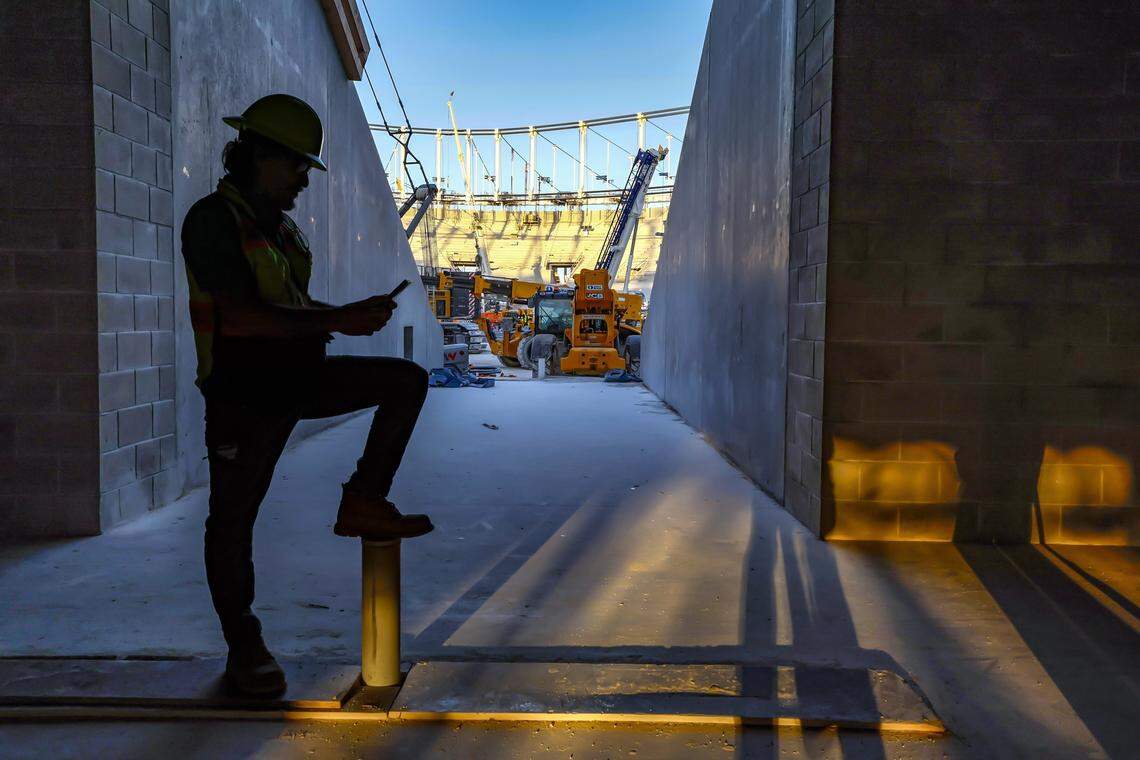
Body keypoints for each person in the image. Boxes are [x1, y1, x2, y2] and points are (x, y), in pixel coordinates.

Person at [179, 94, 434, 696]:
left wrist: (346, 315)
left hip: (296, 378)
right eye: (295, 166)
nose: (302, 180)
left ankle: (363, 500)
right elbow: (240, 317)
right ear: (259, 156)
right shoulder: (213, 219)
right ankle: (245, 647)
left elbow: (291, 309)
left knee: (405, 380)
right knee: (233, 521)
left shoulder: (283, 229)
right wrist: (338, 320)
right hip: (243, 393)